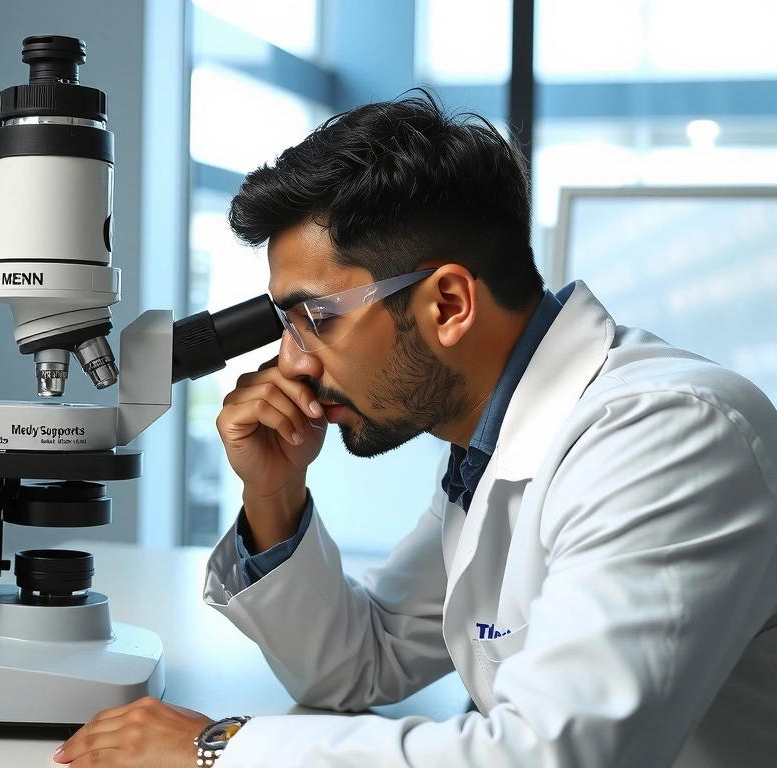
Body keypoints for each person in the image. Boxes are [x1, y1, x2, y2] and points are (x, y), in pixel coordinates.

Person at [53, 93, 777, 767]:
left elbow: (548, 756)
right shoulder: (492, 447)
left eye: (316, 318)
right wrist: (274, 492)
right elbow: (361, 663)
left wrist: (219, 748)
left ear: (450, 304)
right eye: (284, 325)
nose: (290, 363)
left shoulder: (667, 438)